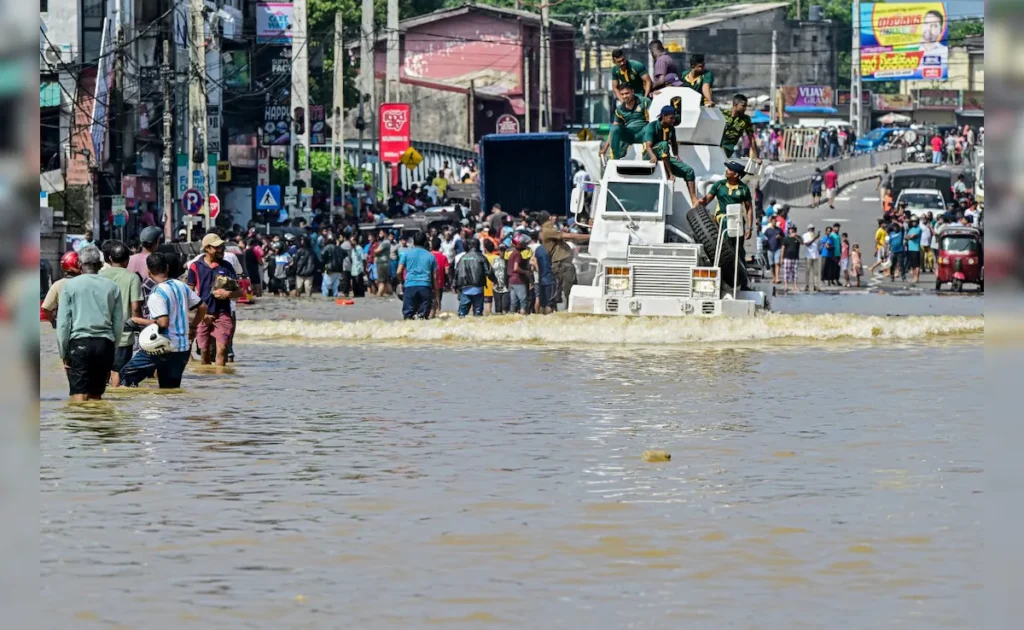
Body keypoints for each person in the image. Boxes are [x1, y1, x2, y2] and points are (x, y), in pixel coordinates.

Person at [119, 253, 207, 389]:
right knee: (170, 389)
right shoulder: (181, 285)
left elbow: (163, 323)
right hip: (182, 349)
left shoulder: (157, 293)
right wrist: (194, 327)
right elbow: (202, 307)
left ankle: (134, 402)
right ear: (167, 268)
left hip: (162, 347)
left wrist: (138, 320)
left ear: (149, 272)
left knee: (125, 376)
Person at [56, 246, 123, 401]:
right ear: (100, 265)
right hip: (105, 344)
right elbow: (118, 323)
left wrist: (63, 352)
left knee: (79, 395)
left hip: (79, 344)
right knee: (96, 396)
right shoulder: (112, 287)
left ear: (79, 264)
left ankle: (80, 417)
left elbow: (63, 323)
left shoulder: (70, 286)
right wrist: (112, 348)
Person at [187, 233, 241, 366]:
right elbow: (188, 293)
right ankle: (207, 377)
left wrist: (228, 293)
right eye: (217, 247)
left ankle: (220, 378)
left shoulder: (227, 266)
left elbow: (239, 292)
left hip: (223, 313)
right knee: (204, 351)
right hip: (203, 314)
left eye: (221, 247)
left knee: (222, 350)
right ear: (207, 248)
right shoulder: (195, 266)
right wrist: (199, 314)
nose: (221, 250)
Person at [99, 242, 143, 387]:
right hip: (124, 334)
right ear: (127, 260)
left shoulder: (98, 275)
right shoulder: (132, 278)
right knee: (117, 372)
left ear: (110, 258)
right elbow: (136, 307)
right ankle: (117, 399)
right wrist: (139, 326)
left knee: (101, 372)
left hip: (100, 333)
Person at [695, 161, 754, 265]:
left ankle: (741, 266)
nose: (726, 170)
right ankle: (725, 258)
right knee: (726, 223)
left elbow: (749, 208)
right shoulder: (719, 185)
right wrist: (700, 203)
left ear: (735, 174)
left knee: (738, 246)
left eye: (729, 169)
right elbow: (707, 200)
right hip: (722, 217)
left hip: (738, 220)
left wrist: (749, 228)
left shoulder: (743, 189)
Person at [642, 106, 699, 207]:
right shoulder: (652, 126)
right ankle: (669, 174)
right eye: (671, 118)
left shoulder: (671, 128)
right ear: (663, 116)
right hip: (651, 154)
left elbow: (673, 143)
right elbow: (648, 146)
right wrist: (653, 157)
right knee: (664, 144)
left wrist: (676, 155)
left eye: (674, 118)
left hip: (664, 156)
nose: (673, 120)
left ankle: (694, 200)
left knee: (689, 171)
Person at [538, 211, 588, 308]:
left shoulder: (548, 231)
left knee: (570, 291)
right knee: (571, 291)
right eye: (551, 218)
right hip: (563, 264)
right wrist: (590, 236)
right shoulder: (548, 231)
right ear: (549, 219)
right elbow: (571, 236)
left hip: (562, 264)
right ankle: (571, 311)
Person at [397, 232, 437, 320]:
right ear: (425, 242)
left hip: (410, 286)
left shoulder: (406, 254)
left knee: (408, 316)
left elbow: (399, 272)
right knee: (423, 317)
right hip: (425, 287)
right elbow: (434, 278)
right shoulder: (431, 256)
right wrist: (436, 296)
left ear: (413, 242)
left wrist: (402, 282)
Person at [453, 238, 497, 318]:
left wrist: (454, 285)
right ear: (478, 246)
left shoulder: (462, 258)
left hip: (465, 289)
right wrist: (495, 281)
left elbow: (457, 272)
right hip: (478, 288)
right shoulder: (481, 257)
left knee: (462, 315)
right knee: (478, 314)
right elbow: (489, 272)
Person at [606, 84, 652, 159]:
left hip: (643, 133)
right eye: (622, 94)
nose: (624, 96)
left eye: (627, 93)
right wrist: (605, 149)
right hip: (629, 135)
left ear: (632, 92)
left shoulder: (644, 102)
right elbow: (613, 131)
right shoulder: (619, 109)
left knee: (650, 127)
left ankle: (647, 156)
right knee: (615, 128)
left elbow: (654, 118)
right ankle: (615, 158)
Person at [42, 251, 81, 326]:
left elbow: (46, 308)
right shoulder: (86, 282)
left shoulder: (57, 284)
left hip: (64, 326)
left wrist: (53, 322)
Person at [721, 94, 757, 160]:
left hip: (730, 151)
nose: (745, 108)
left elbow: (751, 138)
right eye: (743, 106)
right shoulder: (723, 114)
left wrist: (756, 156)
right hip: (718, 149)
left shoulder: (746, 119)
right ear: (736, 105)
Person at [530, 232, 557, 314]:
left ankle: (541, 319)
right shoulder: (552, 249)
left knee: (542, 304)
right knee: (550, 304)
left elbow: (532, 266)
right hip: (550, 279)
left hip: (541, 279)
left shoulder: (538, 250)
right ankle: (549, 320)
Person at [508, 234, 531, 315]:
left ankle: (512, 317)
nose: (525, 245)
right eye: (524, 243)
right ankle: (522, 317)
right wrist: (526, 272)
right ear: (519, 244)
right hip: (518, 280)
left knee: (513, 303)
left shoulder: (512, 253)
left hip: (511, 281)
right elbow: (516, 268)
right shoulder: (518, 254)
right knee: (523, 301)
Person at [762, 215, 784, 284]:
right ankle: (774, 277)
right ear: (771, 222)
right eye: (773, 221)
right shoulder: (768, 230)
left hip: (778, 248)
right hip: (770, 249)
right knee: (772, 264)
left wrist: (780, 237)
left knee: (777, 263)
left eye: (775, 221)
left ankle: (777, 278)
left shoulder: (779, 230)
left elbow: (784, 238)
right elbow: (764, 238)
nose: (774, 222)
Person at [781, 225, 802, 294]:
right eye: (790, 229)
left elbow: (802, 243)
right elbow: (783, 248)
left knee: (794, 272)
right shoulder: (786, 238)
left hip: (795, 257)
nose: (792, 230)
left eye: (793, 229)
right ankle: (786, 285)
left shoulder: (798, 237)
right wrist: (782, 258)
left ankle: (795, 285)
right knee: (786, 272)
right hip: (787, 257)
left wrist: (795, 236)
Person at [491, 243, 510, 314]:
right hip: (496, 287)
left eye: (504, 250)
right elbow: (491, 271)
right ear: (498, 251)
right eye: (501, 250)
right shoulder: (495, 259)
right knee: (498, 309)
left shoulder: (508, 261)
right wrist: (493, 281)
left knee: (505, 308)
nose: (502, 252)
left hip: (506, 288)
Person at [802, 224, 821, 292]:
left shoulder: (815, 235)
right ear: (808, 229)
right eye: (811, 229)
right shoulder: (805, 235)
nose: (812, 230)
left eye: (813, 229)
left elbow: (817, 245)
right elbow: (807, 244)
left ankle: (816, 285)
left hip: (815, 255)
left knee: (816, 272)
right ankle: (807, 285)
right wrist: (815, 238)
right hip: (809, 256)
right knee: (807, 271)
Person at [374, 229, 392, 296]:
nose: (379, 234)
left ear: (385, 233)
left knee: (381, 281)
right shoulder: (386, 242)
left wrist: (374, 251)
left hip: (382, 264)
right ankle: (391, 294)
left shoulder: (385, 242)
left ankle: (379, 295)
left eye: (381, 233)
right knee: (386, 282)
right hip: (384, 263)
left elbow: (377, 251)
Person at [905, 217, 922, 284]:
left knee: (916, 265)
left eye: (915, 221)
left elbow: (913, 236)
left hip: (916, 249)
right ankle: (914, 277)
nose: (914, 223)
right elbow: (906, 237)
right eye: (913, 222)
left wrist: (909, 237)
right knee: (912, 265)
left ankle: (917, 278)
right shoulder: (911, 229)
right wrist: (909, 237)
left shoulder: (918, 229)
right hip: (910, 248)